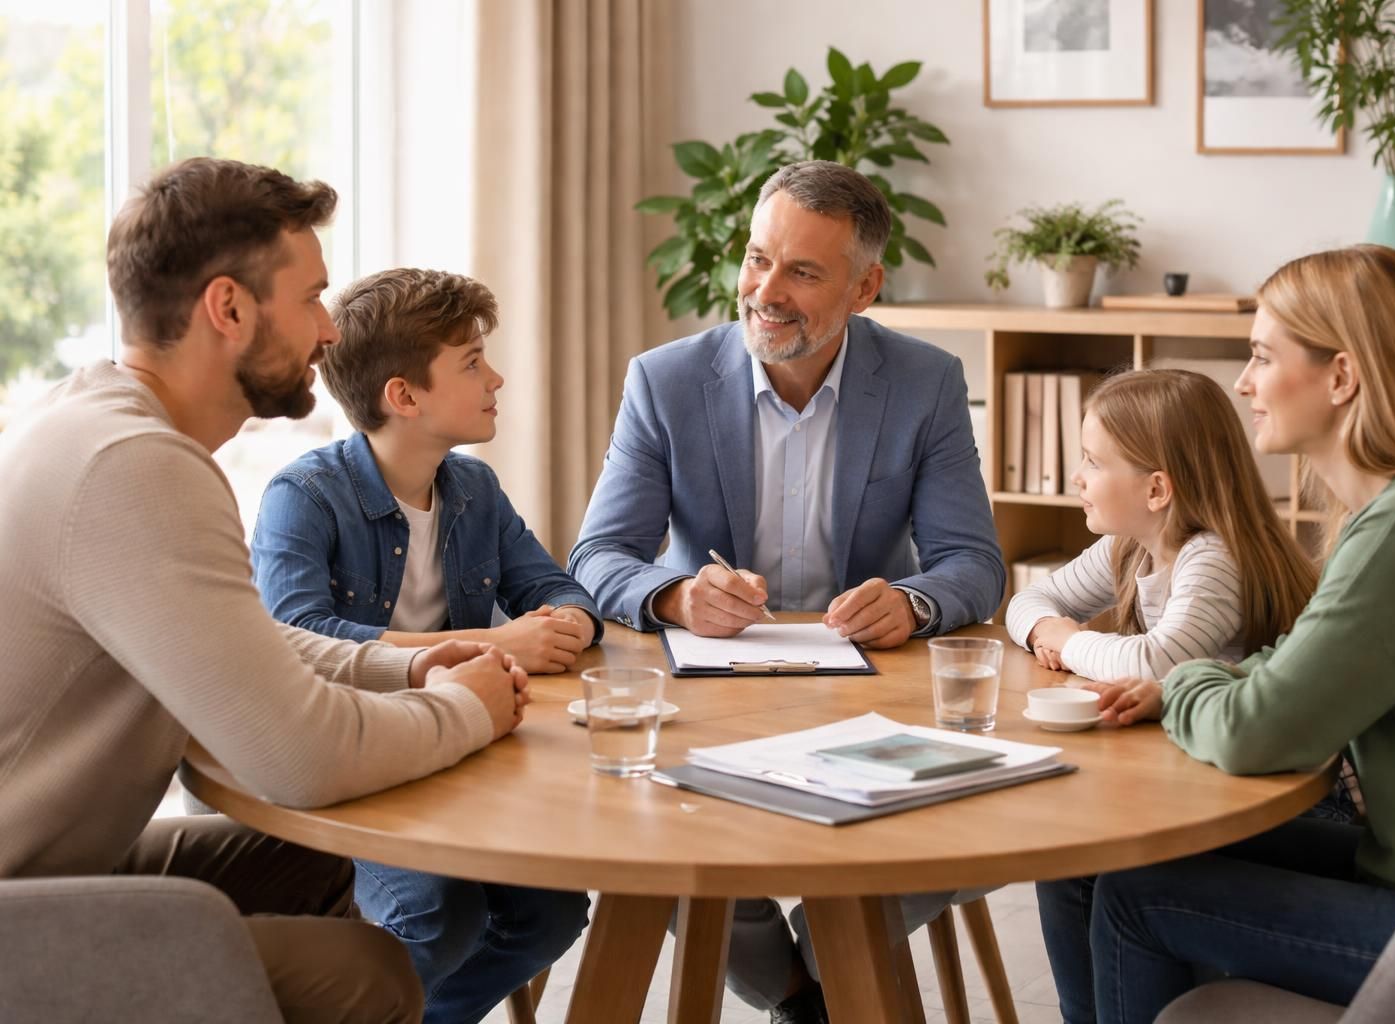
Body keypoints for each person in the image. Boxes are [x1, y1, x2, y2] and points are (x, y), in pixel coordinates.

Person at [0, 156, 530, 1024]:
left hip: (41, 871)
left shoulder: (91, 420)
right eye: (313, 297)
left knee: (312, 866)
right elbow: (299, 760)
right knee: (365, 972)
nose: (329, 332)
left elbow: (231, 640)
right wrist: (469, 709)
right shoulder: (134, 466)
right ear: (230, 308)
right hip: (19, 913)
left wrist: (406, 669)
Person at [1039, 245, 1395, 1024]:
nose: (1243, 384)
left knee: (1136, 895)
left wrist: (1181, 681)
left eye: (1263, 357)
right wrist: (1207, 683)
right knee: (1083, 865)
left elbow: (1258, 732)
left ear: (1341, 377)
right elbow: (1294, 664)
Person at [569, 160, 1004, 1022]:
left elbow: (974, 563)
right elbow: (599, 554)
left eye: (804, 271)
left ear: (866, 286)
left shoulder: (925, 384)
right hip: (711, 694)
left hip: (881, 700)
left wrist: (912, 602)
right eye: (758, 258)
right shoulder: (665, 381)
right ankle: (810, 997)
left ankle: (813, 979)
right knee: (649, 830)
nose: (767, 290)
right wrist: (675, 596)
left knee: (991, 819)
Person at [250, 268, 595, 1023]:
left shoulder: (475, 488)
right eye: (471, 363)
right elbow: (295, 636)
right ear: (403, 396)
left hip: (468, 750)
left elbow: (557, 587)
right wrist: (494, 640)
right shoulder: (303, 498)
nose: (496, 377)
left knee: (556, 912)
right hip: (354, 759)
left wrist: (569, 621)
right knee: (440, 914)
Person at [1006, 368, 1317, 705]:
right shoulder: (1128, 546)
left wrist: (1068, 643)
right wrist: (1044, 630)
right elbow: (1027, 599)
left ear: (1156, 489)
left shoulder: (1214, 559)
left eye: (1093, 462)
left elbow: (1156, 664)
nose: (1076, 476)